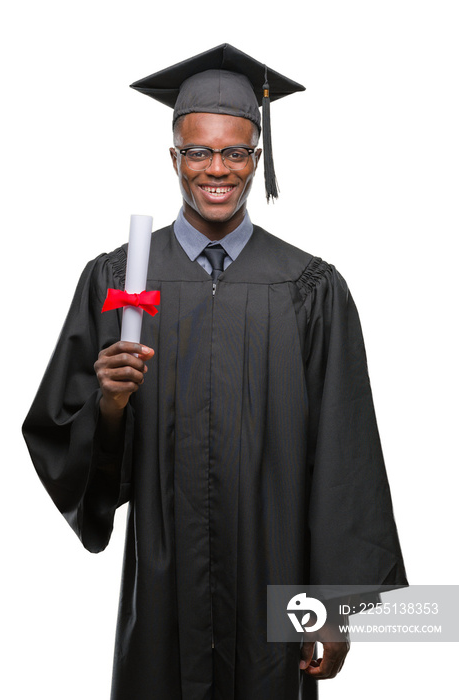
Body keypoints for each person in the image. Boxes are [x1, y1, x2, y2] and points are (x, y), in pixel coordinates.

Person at [23, 44, 407, 700]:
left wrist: (336, 607)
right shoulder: (118, 280)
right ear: (174, 156)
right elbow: (62, 432)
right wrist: (109, 407)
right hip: (164, 583)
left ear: (258, 157)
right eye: (198, 151)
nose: (217, 169)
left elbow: (344, 451)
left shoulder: (309, 288)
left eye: (236, 151)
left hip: (272, 582)